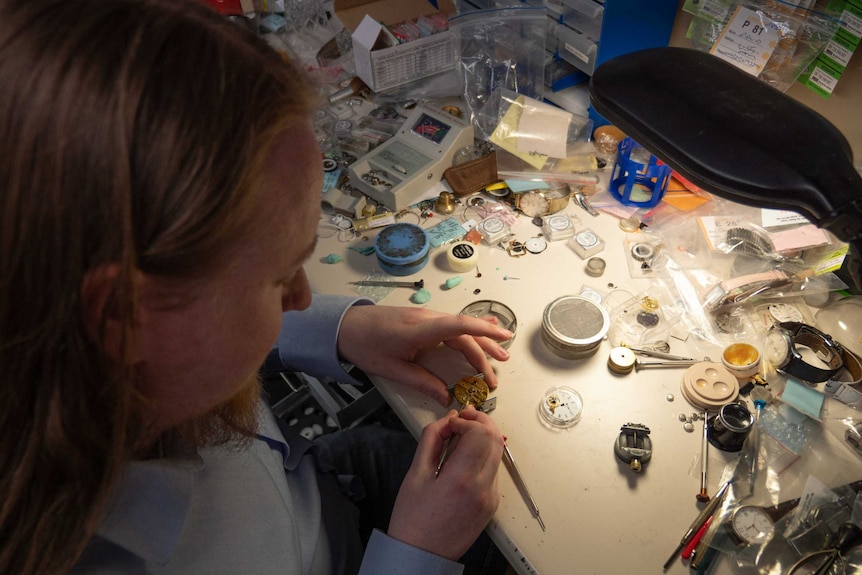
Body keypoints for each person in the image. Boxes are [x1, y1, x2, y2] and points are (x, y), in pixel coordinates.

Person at [0, 1, 514, 574]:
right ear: (124, 315)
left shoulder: (109, 341)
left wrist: (343, 329)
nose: (303, 295)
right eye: (278, 279)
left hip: (322, 493)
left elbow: (205, 316)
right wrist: (416, 554)